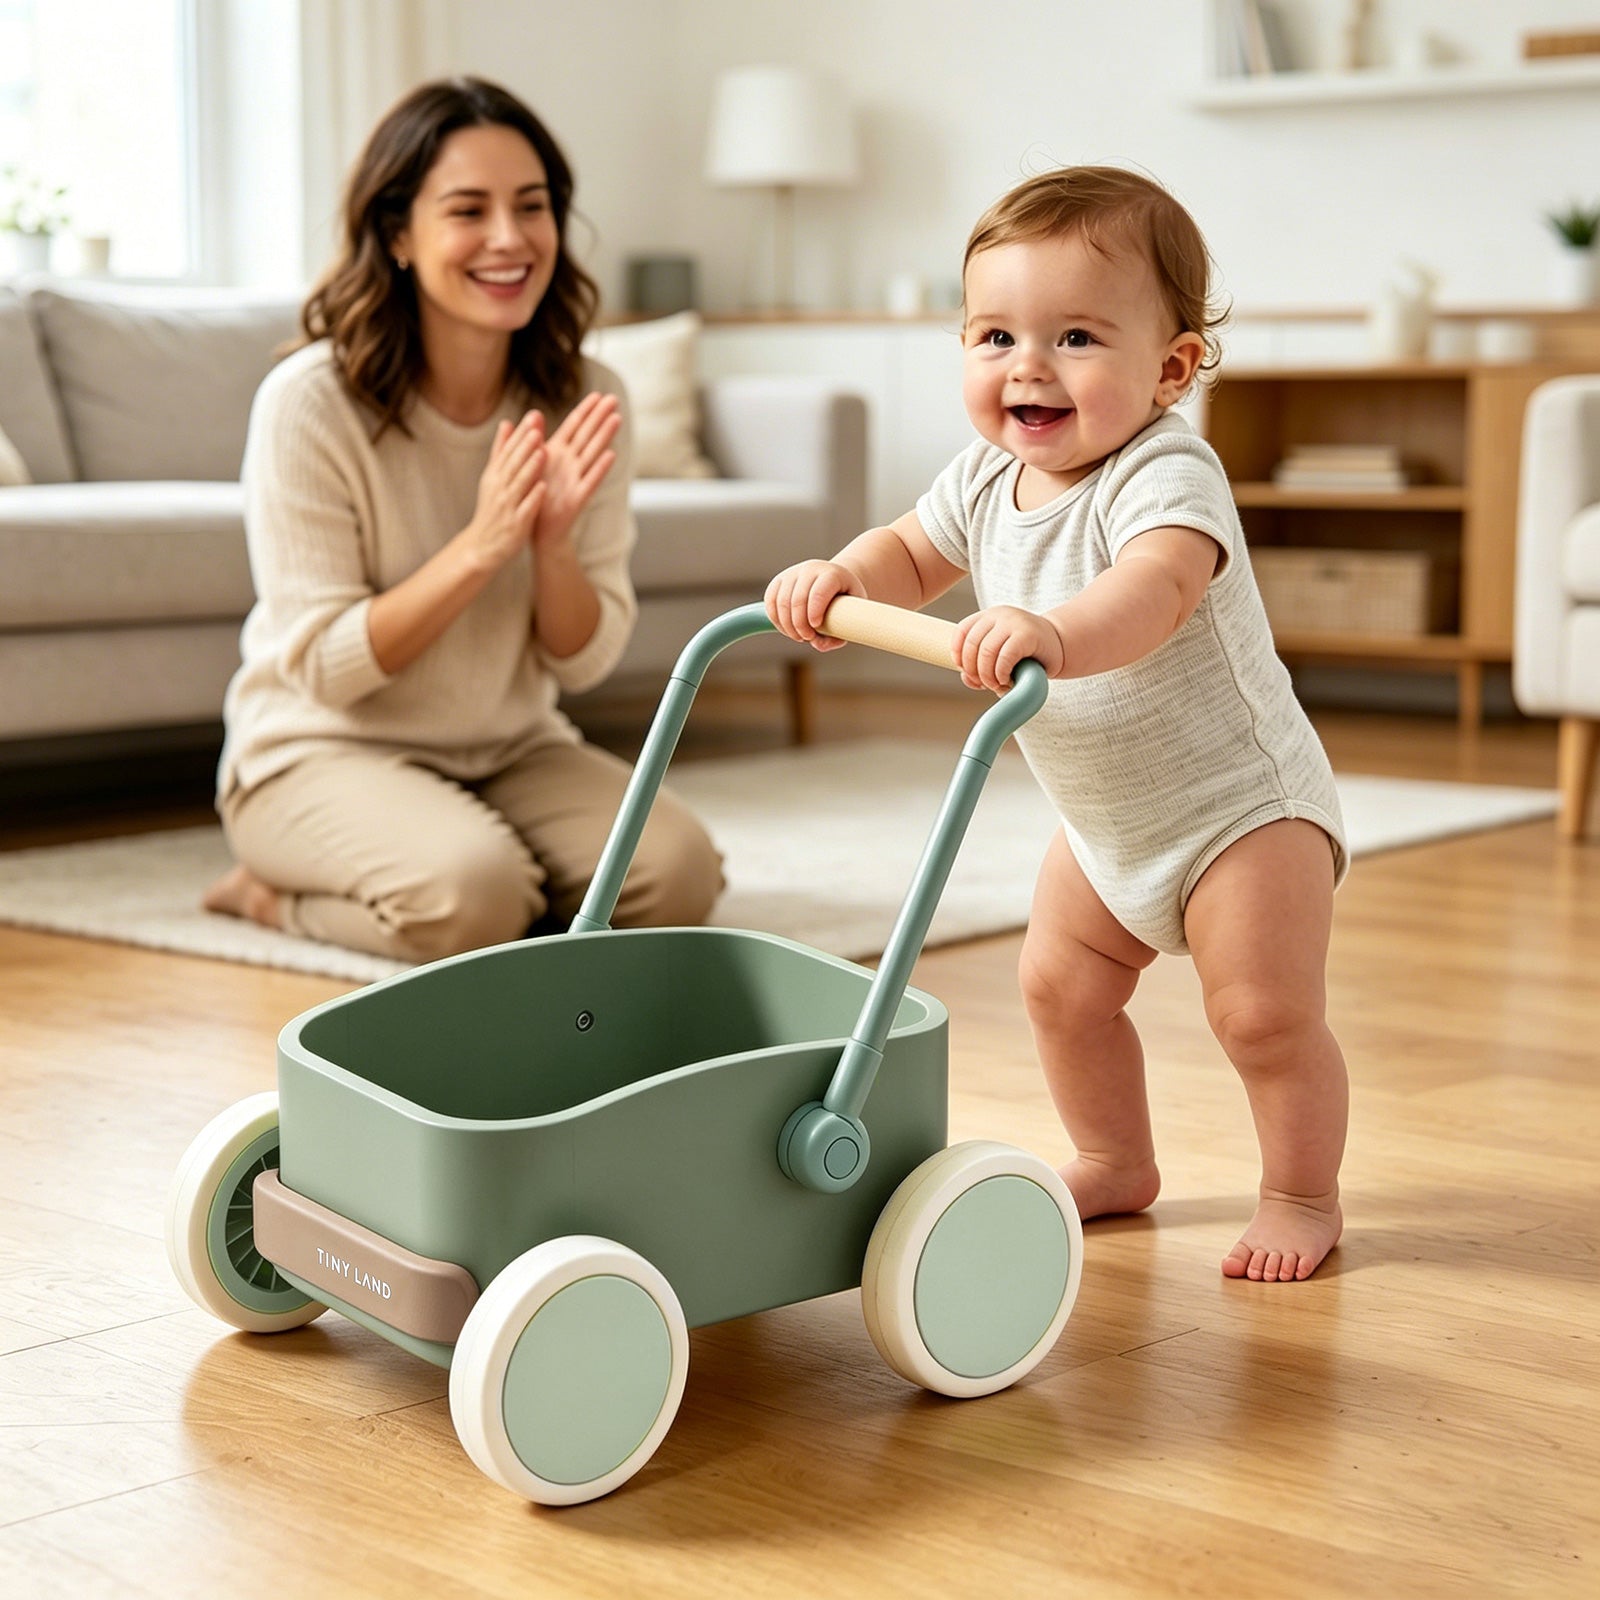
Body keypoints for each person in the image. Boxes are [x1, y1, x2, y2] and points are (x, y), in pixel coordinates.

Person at [766, 167, 1348, 1283]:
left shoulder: (1165, 470)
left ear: (1170, 368)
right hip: (1104, 820)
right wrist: (842, 576)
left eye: (1075, 336)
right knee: (1059, 988)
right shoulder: (986, 473)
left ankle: (1299, 1191)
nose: (1025, 366)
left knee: (1263, 1016)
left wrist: (1052, 634)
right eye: (993, 335)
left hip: (1238, 809)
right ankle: (1114, 1155)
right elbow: (909, 551)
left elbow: (1155, 589)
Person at [204, 76, 723, 961]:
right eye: (468, 210)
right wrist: (482, 549)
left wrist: (550, 548)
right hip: (317, 750)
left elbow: (584, 657)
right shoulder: (309, 404)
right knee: (474, 901)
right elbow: (326, 671)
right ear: (399, 232)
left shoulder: (588, 396)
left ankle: (495, 874)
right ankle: (270, 897)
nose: (509, 239)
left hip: (510, 746)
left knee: (677, 876)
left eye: (532, 206)